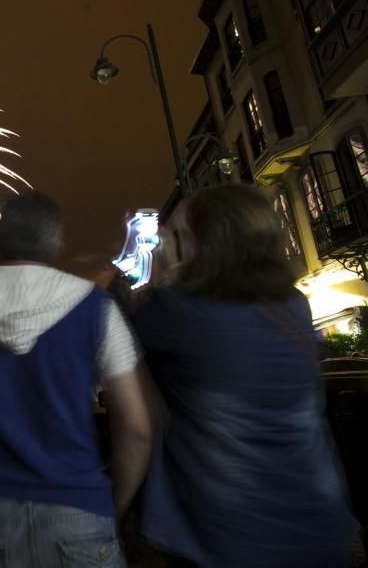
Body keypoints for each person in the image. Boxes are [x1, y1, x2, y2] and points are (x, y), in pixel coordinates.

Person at [0, 189, 153, 567]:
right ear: (55, 241)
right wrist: (114, 505)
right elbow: (137, 429)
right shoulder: (95, 307)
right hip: (79, 504)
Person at [130, 184, 358, 567]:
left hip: (228, 533)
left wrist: (163, 267)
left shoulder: (177, 312)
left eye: (183, 235)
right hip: (318, 521)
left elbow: (120, 335)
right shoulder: (294, 306)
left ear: (205, 242)